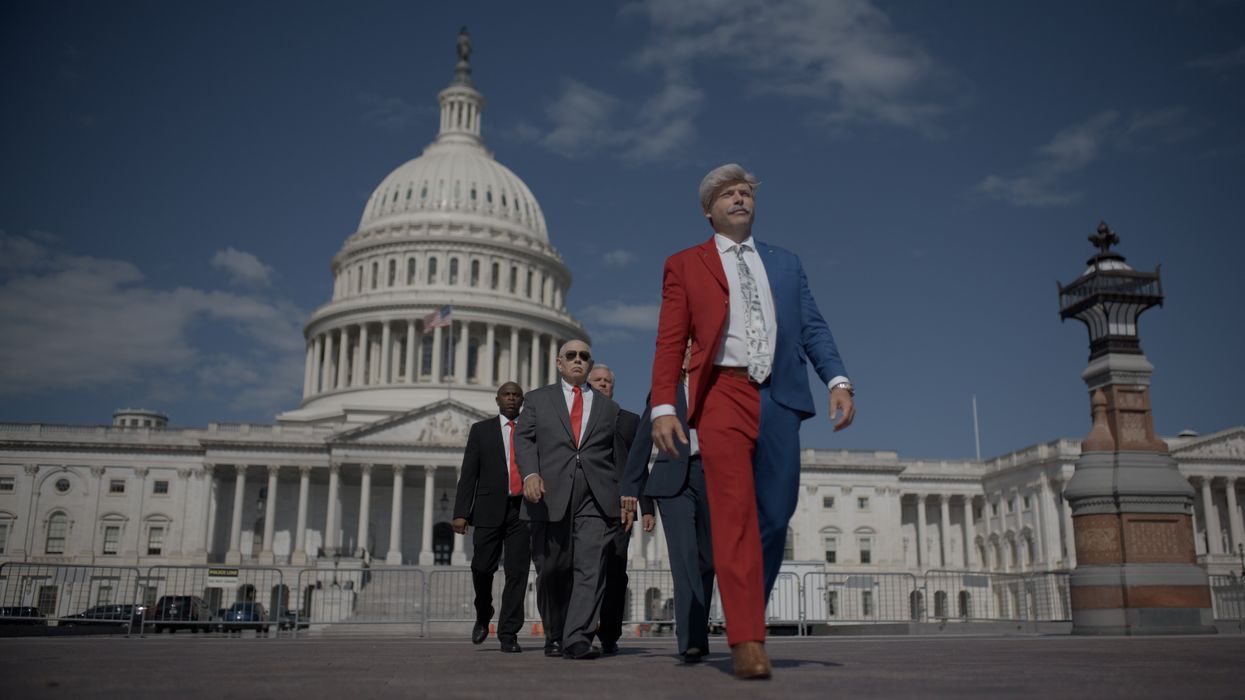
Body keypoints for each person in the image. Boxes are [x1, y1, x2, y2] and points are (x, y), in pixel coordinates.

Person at [648, 163, 855, 679]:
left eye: (745, 193)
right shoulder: (685, 264)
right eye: (727, 194)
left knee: (775, 514)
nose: (739, 199)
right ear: (708, 210)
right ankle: (746, 638)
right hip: (722, 393)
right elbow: (670, 340)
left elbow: (812, 326)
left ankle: (748, 611)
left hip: (781, 395)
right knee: (733, 513)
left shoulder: (785, 264)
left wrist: (838, 380)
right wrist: (664, 407)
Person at [515, 340, 625, 660]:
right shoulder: (537, 400)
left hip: (594, 496)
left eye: (584, 357)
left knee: (590, 566)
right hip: (549, 495)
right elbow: (524, 440)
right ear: (559, 363)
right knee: (552, 569)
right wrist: (530, 475)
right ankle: (555, 632)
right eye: (571, 356)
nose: (578, 360)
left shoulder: (609, 408)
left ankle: (578, 637)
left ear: (590, 365)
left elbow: (616, 456)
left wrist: (623, 495)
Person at [621, 344, 713, 663]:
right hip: (673, 477)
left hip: (711, 477)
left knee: (708, 561)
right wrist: (630, 487)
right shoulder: (665, 391)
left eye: (695, 347)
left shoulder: (718, 388)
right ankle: (691, 640)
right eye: (685, 348)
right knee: (685, 557)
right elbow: (643, 440)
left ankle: (697, 634)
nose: (690, 353)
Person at [451, 382, 530, 653]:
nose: (511, 399)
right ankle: (484, 614)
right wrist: (461, 513)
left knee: (517, 573)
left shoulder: (532, 430)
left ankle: (509, 633)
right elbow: (468, 473)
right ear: (497, 400)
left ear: (522, 400)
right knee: (481, 568)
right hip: (488, 508)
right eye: (506, 395)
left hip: (523, 509)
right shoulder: (481, 431)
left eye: (516, 395)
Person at [585, 363, 647, 655]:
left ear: (613, 386)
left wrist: (646, 508)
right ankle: (581, 630)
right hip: (583, 505)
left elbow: (638, 468)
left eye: (607, 381)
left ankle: (609, 633)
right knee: (584, 570)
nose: (602, 385)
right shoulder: (576, 417)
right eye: (596, 380)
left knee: (615, 571)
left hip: (619, 507)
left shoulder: (629, 421)